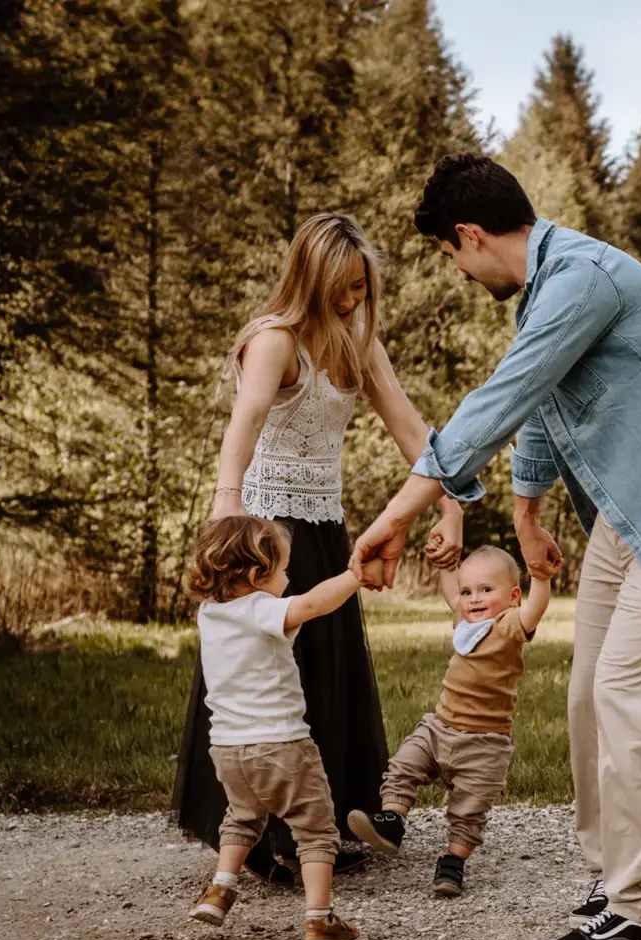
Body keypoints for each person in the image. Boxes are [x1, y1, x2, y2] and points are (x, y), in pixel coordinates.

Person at [350, 154, 641, 940]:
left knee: (625, 694)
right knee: (587, 696)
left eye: (450, 254)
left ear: (469, 236)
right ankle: (612, 880)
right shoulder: (548, 293)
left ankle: (640, 908)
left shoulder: (582, 278)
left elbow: (504, 396)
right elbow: (544, 405)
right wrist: (526, 514)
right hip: (628, 514)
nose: (459, 271)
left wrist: (396, 515)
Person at [174, 213, 463, 884]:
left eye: (361, 287)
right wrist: (226, 507)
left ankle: (320, 826)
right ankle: (260, 834)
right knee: (270, 674)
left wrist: (449, 503)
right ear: (310, 278)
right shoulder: (274, 340)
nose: (353, 300)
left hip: (325, 525)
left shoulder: (361, 343)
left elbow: (411, 429)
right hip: (265, 529)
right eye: (342, 287)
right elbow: (245, 423)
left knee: (326, 674)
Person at [184, 515, 382, 940]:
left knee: (242, 816)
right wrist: (355, 576)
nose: (289, 578)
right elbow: (311, 605)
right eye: (283, 569)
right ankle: (320, 922)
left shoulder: (209, 613)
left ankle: (220, 888)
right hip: (281, 744)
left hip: (228, 749)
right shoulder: (261, 608)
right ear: (258, 573)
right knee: (316, 830)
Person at [347, 544, 552, 897]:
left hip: (485, 743)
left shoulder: (508, 624)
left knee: (469, 810)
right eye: (467, 592)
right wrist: (446, 561)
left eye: (486, 590)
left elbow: (536, 608)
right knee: (402, 766)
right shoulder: (464, 622)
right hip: (438, 727)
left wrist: (541, 577)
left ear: (513, 597)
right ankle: (392, 822)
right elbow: (449, 588)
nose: (474, 599)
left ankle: (453, 862)